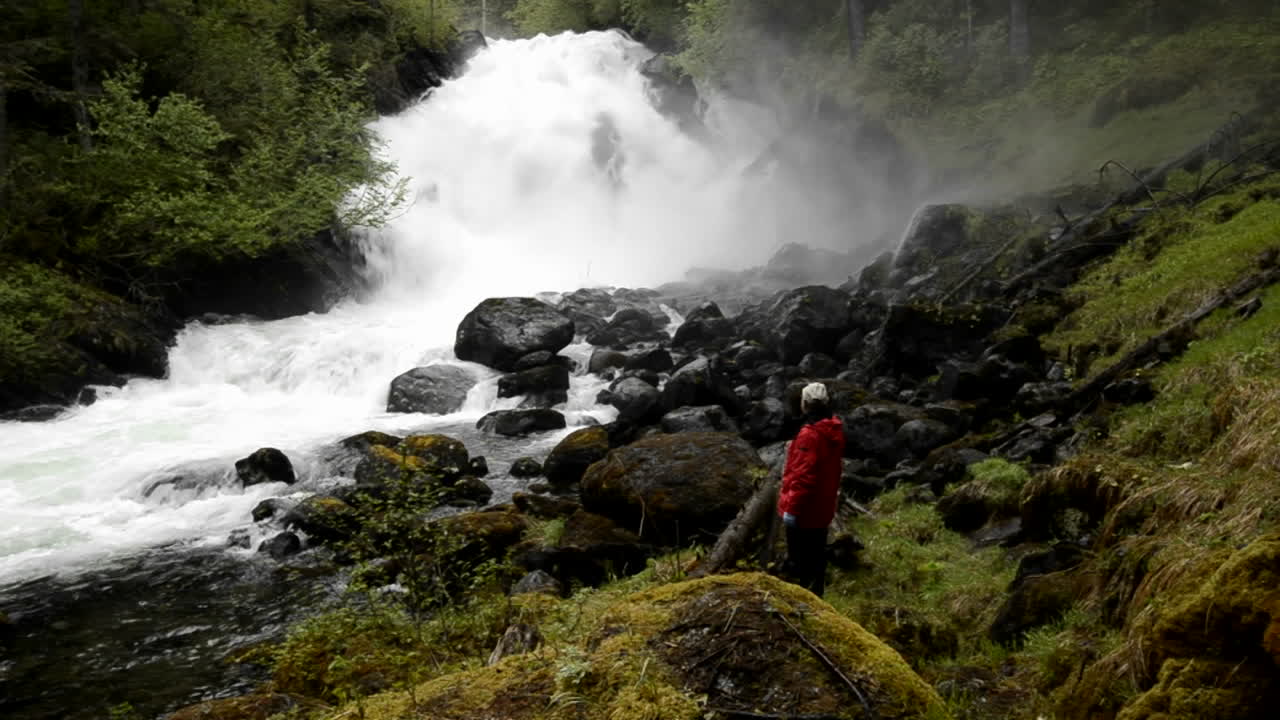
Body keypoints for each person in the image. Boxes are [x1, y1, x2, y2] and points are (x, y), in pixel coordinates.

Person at [778, 382, 845, 596]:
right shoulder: (833, 429)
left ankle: (802, 607)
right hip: (823, 506)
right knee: (817, 558)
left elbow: (804, 477)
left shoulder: (810, 435)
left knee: (799, 562)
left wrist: (791, 510)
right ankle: (817, 601)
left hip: (805, 511)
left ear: (805, 404)